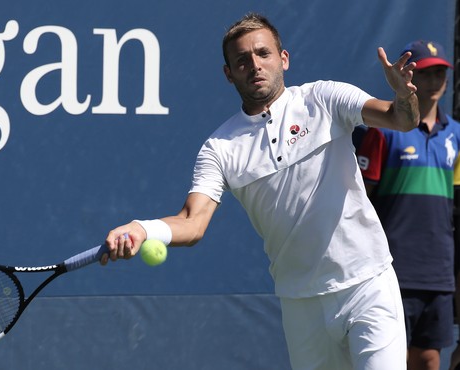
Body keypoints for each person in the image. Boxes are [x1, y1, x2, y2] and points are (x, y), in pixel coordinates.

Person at [101, 13, 419, 370]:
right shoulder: (219, 147)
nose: (254, 65)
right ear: (229, 73)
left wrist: (404, 97)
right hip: (301, 305)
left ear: (283, 59)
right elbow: (192, 222)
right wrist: (143, 229)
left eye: (263, 53)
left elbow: (400, 119)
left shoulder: (325, 98)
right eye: (242, 60)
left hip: (368, 284)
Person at [356, 40, 460, 370]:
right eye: (426, 74)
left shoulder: (457, 135)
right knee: (391, 358)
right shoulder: (384, 131)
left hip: (439, 272)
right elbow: (361, 200)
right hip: (391, 268)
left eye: (440, 73)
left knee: (429, 359)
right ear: (407, 79)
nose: (434, 82)